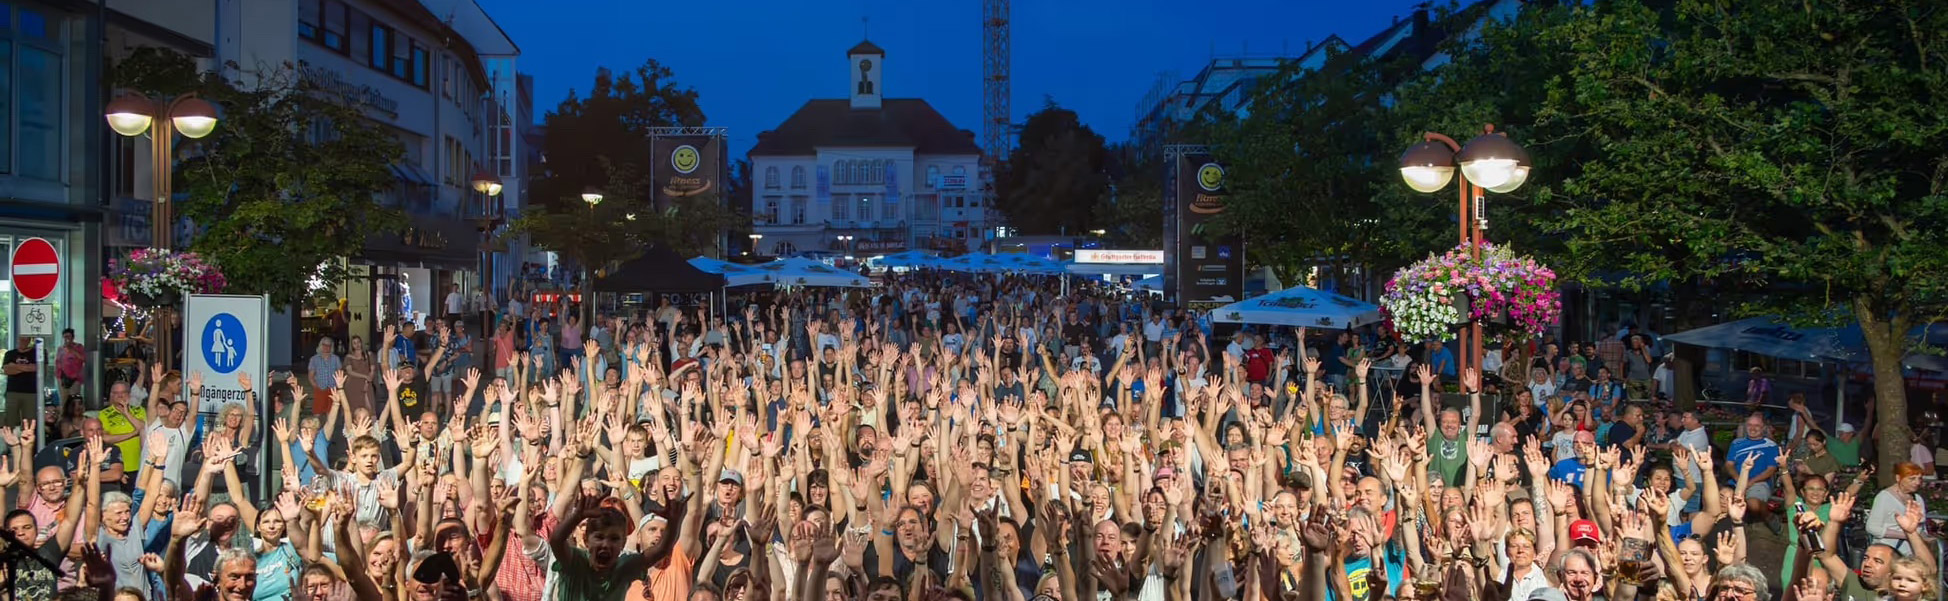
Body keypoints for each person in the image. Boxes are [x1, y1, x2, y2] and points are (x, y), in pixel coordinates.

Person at [3, 337, 37, 435]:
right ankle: (8, 446)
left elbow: (38, 368)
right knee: (10, 421)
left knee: (29, 423)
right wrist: (27, 368)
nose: (22, 341)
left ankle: (28, 446)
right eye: (20, 339)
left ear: (29, 340)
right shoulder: (10, 354)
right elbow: (7, 370)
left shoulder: (36, 353)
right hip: (12, 392)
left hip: (31, 393)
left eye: (25, 339)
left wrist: (15, 366)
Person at [306, 337, 342, 417]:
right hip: (320, 389)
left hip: (333, 390)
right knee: (317, 413)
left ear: (331, 347)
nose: (326, 347)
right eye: (324, 345)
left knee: (331, 413)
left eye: (329, 345)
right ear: (320, 346)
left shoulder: (336, 359)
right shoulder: (314, 359)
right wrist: (316, 386)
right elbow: (310, 376)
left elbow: (340, 374)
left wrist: (338, 387)